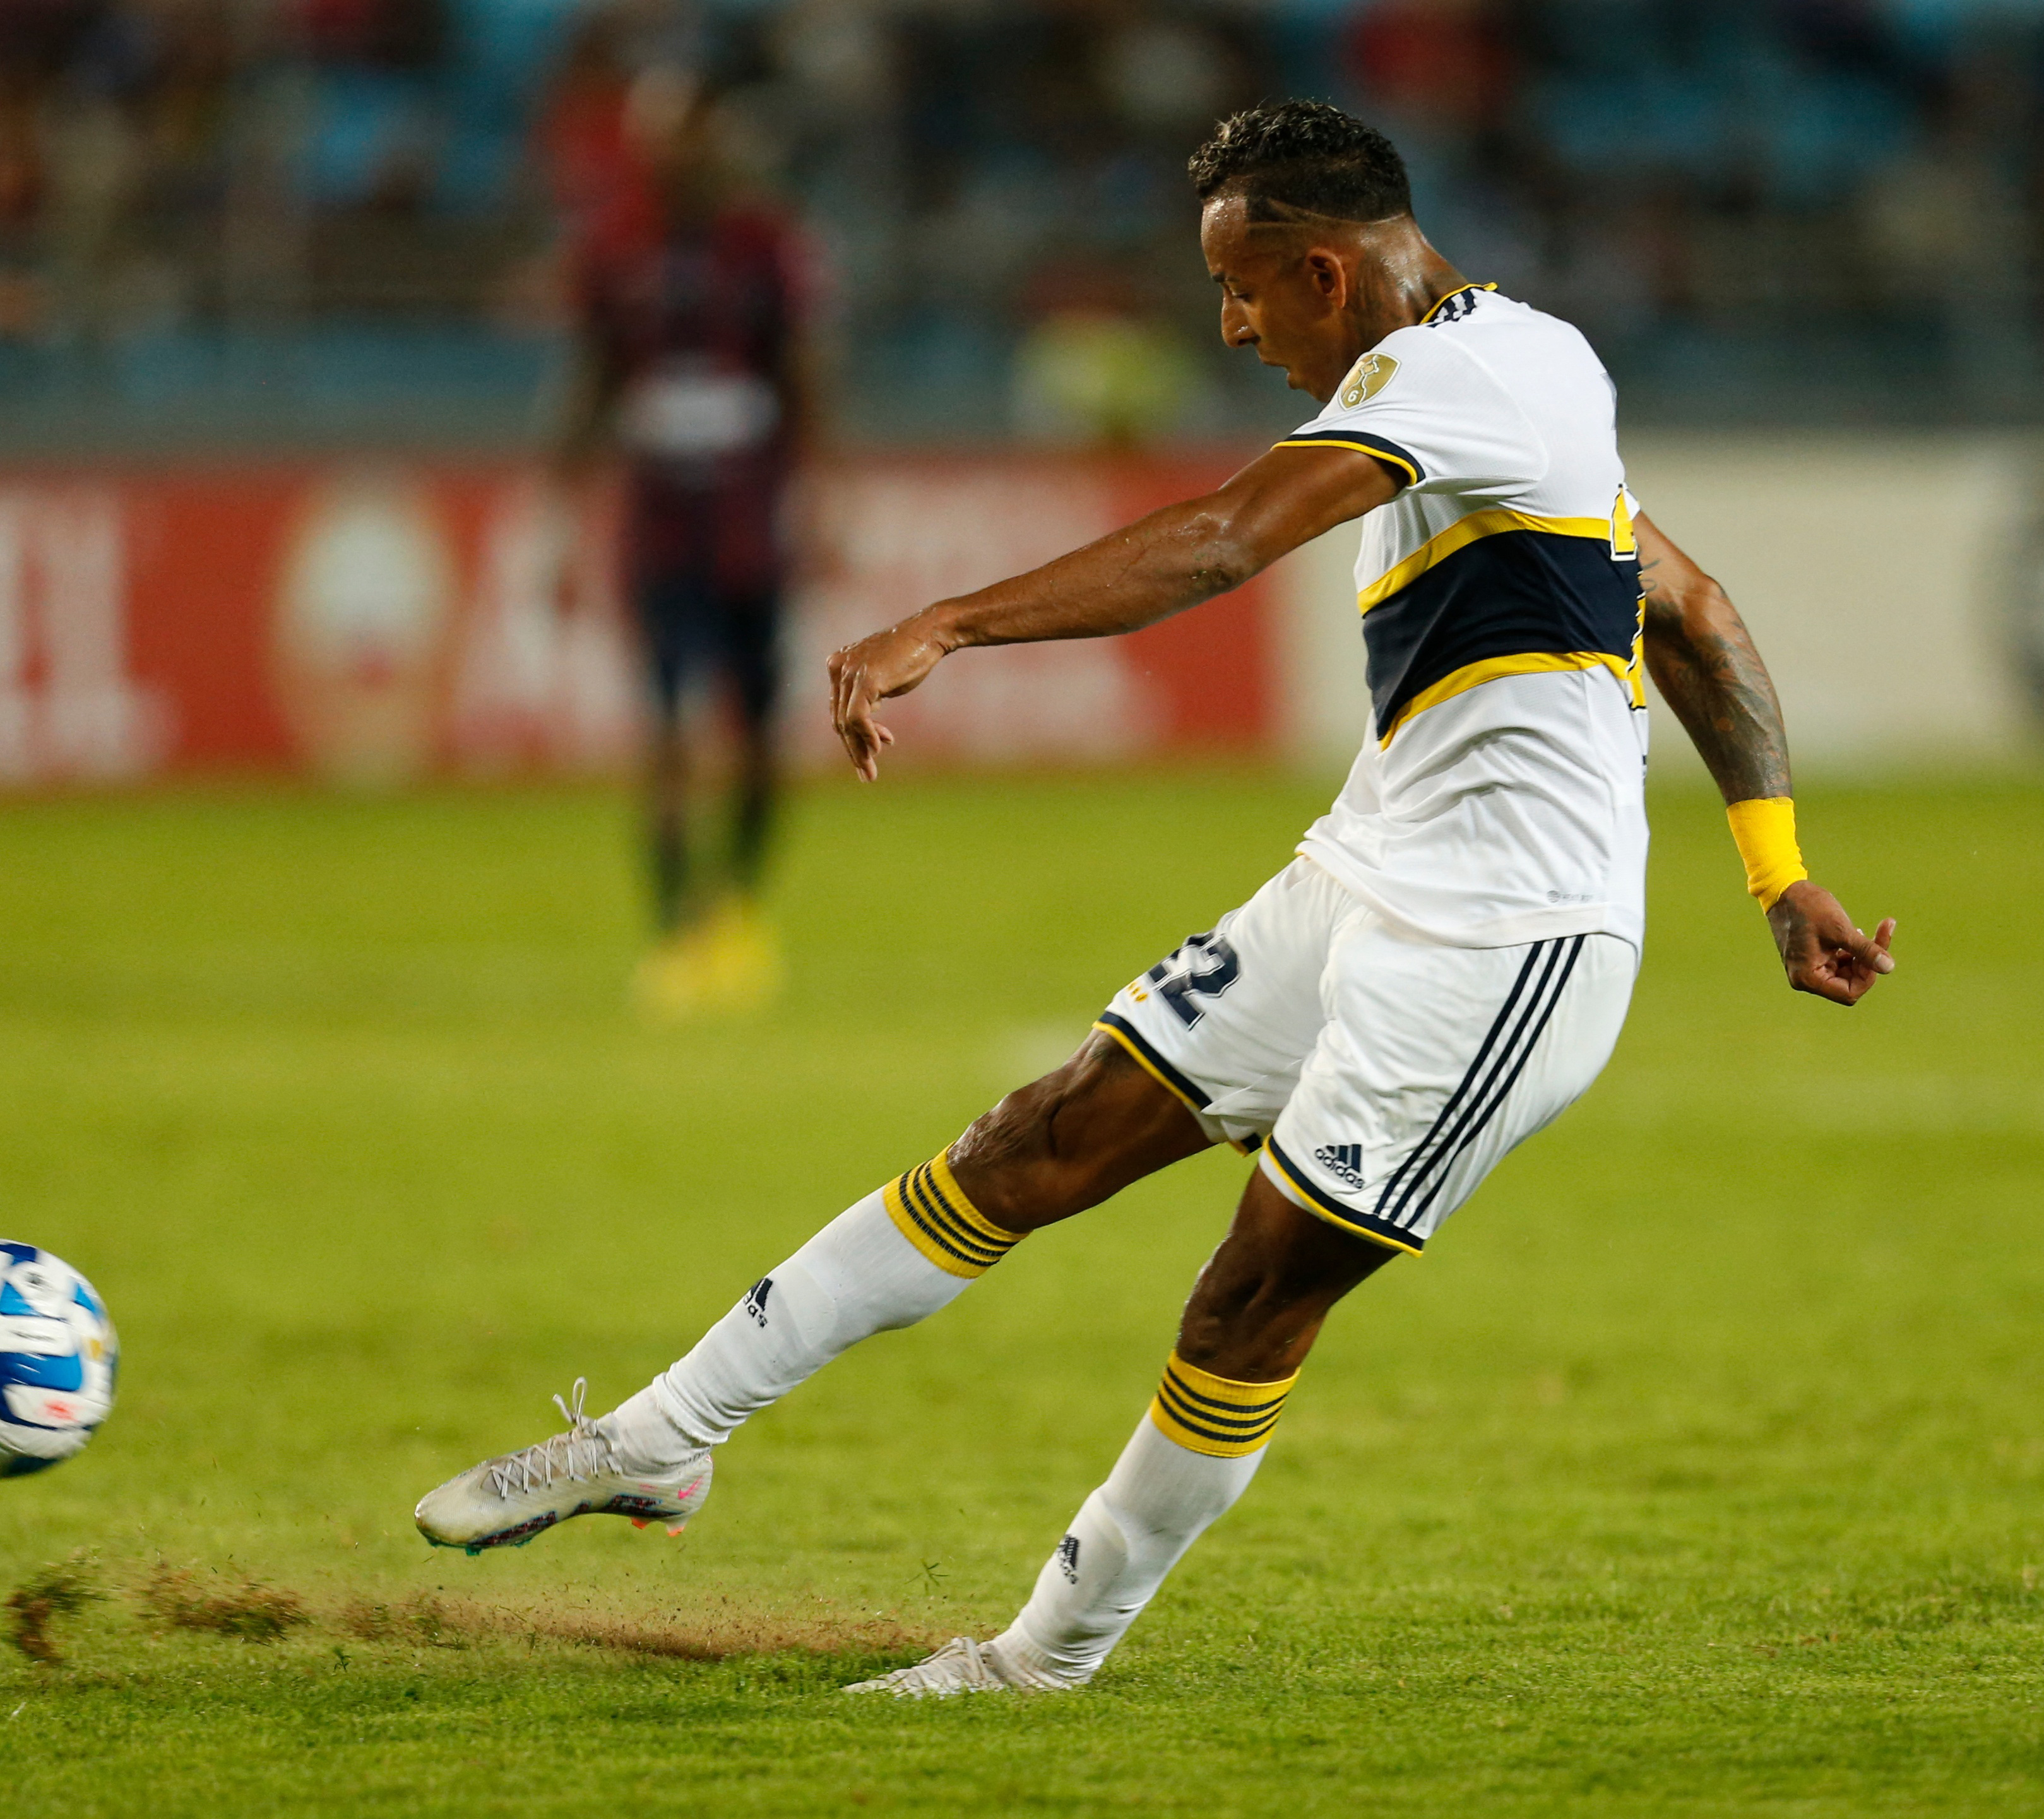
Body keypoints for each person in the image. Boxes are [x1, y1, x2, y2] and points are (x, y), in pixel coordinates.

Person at [415, 100, 1896, 1695]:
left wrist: (947, 623)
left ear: (1327, 272)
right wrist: (1778, 870)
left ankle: (1039, 1661)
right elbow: (1688, 607)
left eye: (1242, 290)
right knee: (1033, 1140)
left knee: (1252, 1292)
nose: (1232, 328)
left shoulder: (1472, 377)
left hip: (1506, 944)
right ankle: (660, 1438)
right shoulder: (1504, 378)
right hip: (1362, 877)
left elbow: (1220, 542)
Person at [558, 71, 824, 1018]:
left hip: (748, 521)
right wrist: (562, 519)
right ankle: (675, 929)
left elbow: (803, 373)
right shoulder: (614, 249)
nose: (681, 154)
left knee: (757, 735)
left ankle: (735, 908)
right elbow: (590, 385)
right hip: (662, 526)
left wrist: (823, 500)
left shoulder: (765, 245)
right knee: (669, 733)